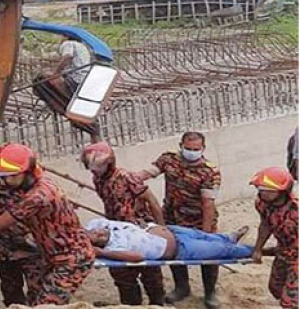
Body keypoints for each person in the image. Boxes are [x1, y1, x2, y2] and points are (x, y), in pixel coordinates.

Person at [0, 144, 95, 306]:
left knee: (45, 304)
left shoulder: (39, 195)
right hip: (49, 254)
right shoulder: (12, 181)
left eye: (10, 176)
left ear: (27, 172)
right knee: (32, 300)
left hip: (71, 259)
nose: (4, 180)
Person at [137, 131, 222, 309]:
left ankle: (210, 292)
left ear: (203, 148)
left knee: (208, 253)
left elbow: (208, 204)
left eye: (196, 149)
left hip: (199, 218)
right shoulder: (169, 160)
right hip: (172, 216)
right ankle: (182, 287)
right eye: (188, 148)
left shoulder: (209, 171)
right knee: (173, 251)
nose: (192, 152)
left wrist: (206, 233)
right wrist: (127, 178)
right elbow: (148, 173)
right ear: (181, 146)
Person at [82, 142, 166, 305]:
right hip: (114, 232)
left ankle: (157, 303)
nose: (93, 171)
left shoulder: (127, 178)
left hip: (138, 232)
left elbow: (152, 201)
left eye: (96, 168)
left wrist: (161, 228)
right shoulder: (98, 179)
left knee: (149, 272)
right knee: (122, 275)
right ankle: (131, 304)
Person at [0, 176, 42, 306]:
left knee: (39, 294)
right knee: (11, 292)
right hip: (4, 249)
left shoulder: (38, 185)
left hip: (32, 250)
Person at [86, 218, 251, 263]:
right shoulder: (115, 248)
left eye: (95, 231)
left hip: (172, 230)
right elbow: (138, 257)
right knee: (223, 250)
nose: (99, 232)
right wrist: (102, 253)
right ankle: (256, 250)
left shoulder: (102, 225)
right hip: (181, 249)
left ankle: (230, 237)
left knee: (206, 236)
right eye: (98, 237)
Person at [32, 37, 101, 141]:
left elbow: (68, 56)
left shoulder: (68, 44)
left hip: (75, 78)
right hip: (83, 79)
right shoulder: (83, 46)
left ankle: (59, 102)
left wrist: (56, 73)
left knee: (40, 79)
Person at [249, 167, 298, 309]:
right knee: (276, 288)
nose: (262, 193)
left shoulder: (296, 209)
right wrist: (258, 249)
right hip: (283, 251)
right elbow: (265, 225)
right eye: (260, 189)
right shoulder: (262, 204)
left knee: (290, 301)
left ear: (282, 191)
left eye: (268, 190)